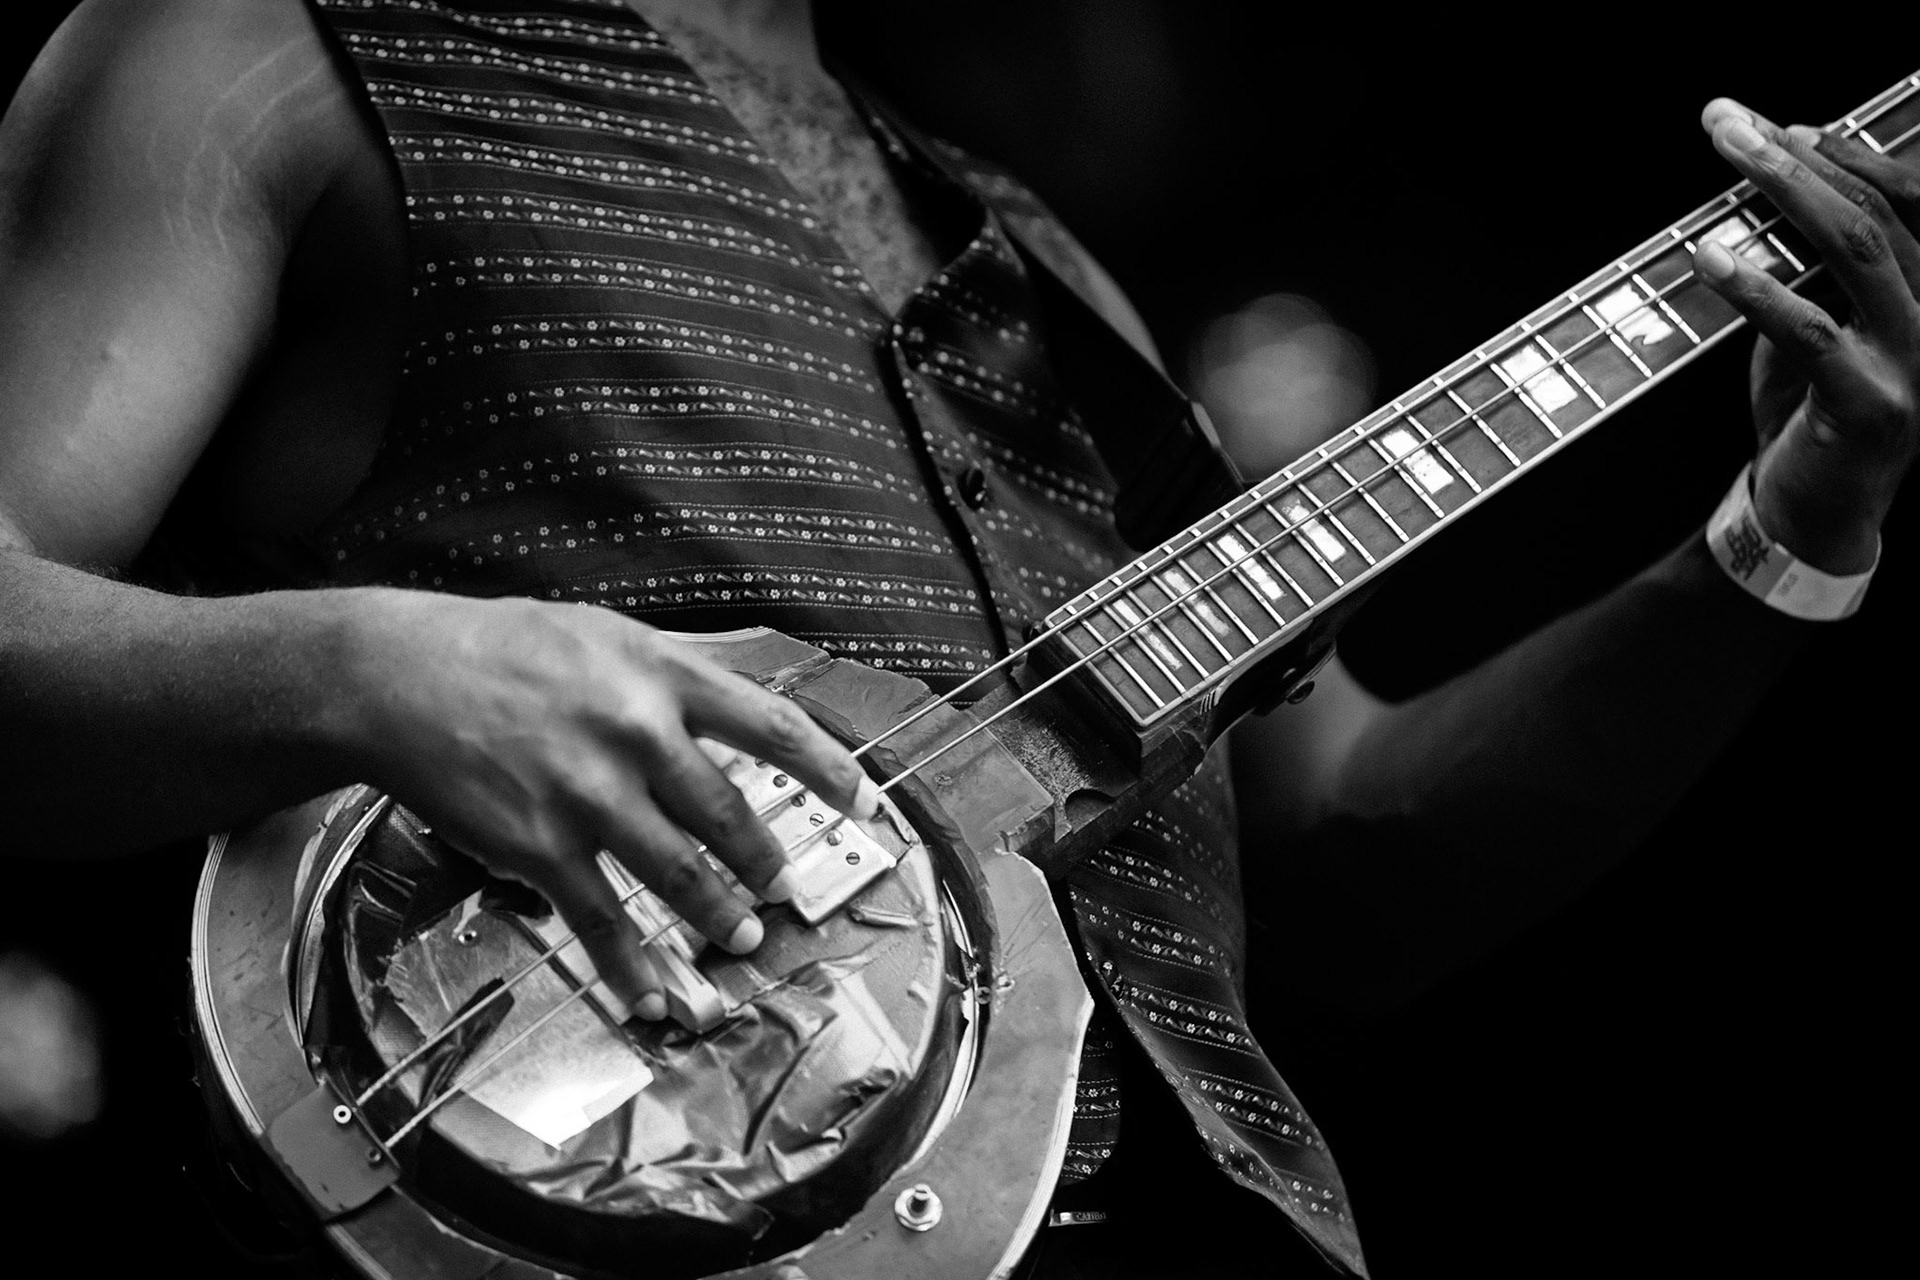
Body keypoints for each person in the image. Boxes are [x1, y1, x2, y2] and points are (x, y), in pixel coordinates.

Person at [1, 1, 1915, 1276]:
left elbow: (1334, 876)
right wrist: (382, 667)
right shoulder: (268, 49)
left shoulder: (1045, 265)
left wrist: (1786, 534)